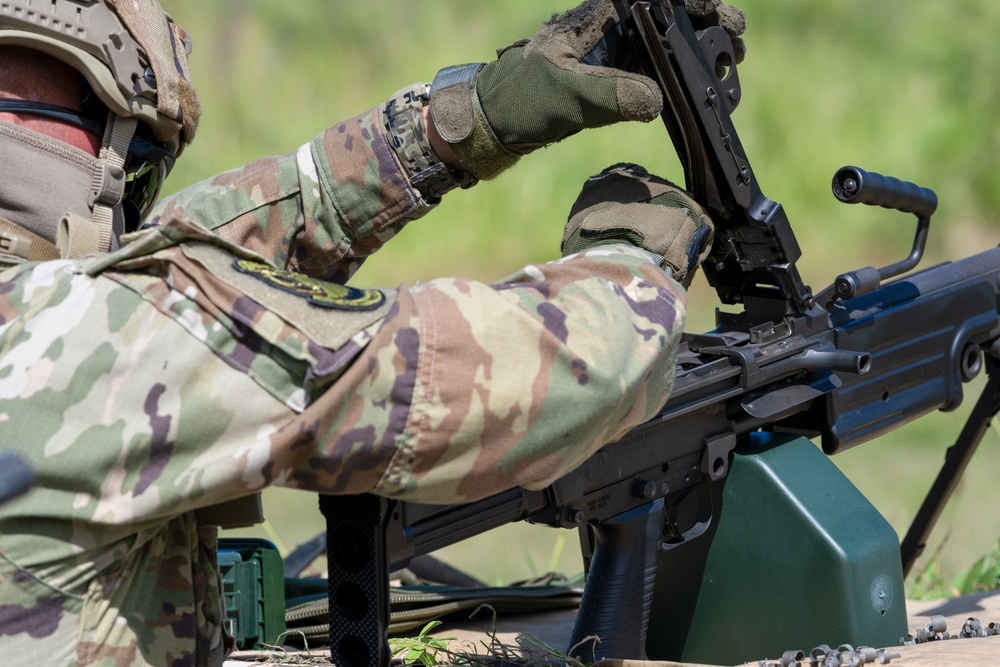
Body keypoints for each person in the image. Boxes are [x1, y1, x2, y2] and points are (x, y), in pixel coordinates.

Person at [0, 0, 743, 664]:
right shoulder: (110, 339)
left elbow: (190, 250)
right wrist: (634, 261)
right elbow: (540, 375)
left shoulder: (55, 324)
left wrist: (467, 119)